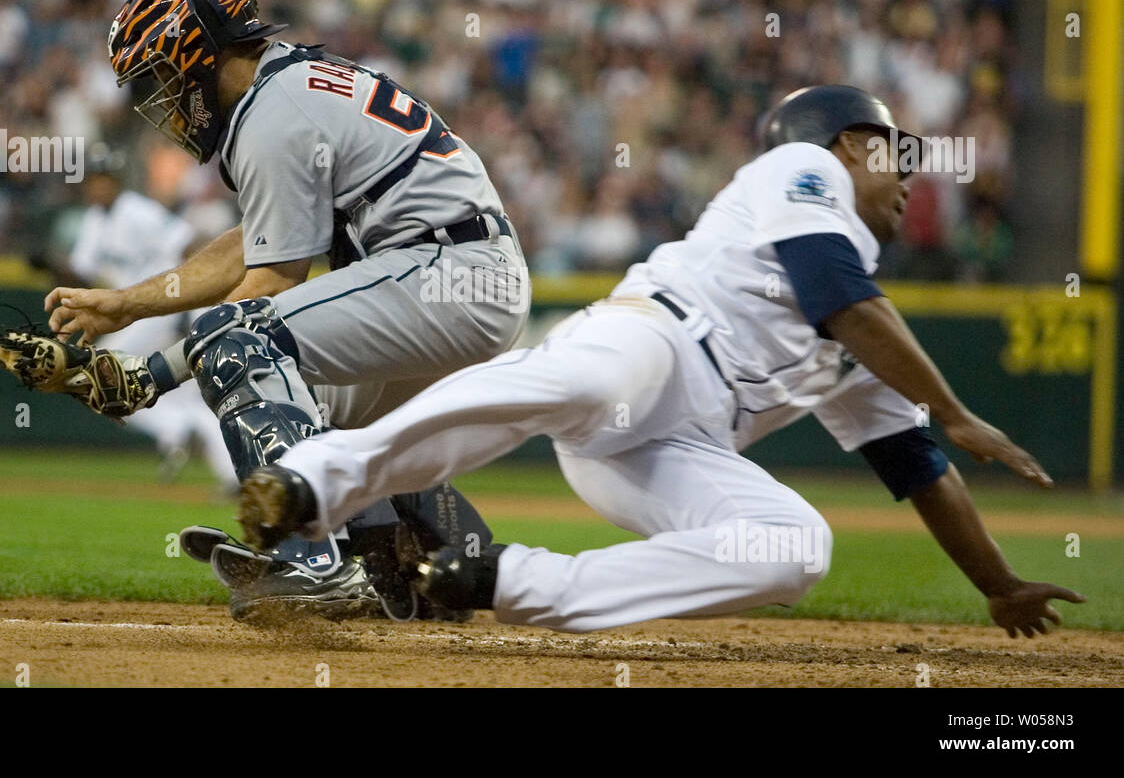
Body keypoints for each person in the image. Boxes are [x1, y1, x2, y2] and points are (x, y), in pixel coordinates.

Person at [238, 85, 1087, 637]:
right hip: (654, 341)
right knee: (577, 381)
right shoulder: (801, 167)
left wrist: (1000, 583)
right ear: (847, 142)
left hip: (674, 450)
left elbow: (915, 466)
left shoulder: (871, 335)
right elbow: (834, 291)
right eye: (891, 150)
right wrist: (955, 404)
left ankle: (503, 578)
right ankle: (314, 481)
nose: (906, 172)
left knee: (796, 547)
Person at [39, 0, 529, 620]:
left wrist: (153, 372)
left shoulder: (273, 111)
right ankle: (426, 575)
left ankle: (311, 558)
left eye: (160, 74)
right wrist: (128, 303)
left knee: (236, 346)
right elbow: (258, 243)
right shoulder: (290, 86)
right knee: (309, 409)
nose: (162, 98)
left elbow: (266, 288)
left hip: (445, 273)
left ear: (196, 49)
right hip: (459, 272)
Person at [64, 146, 237, 495]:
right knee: (191, 398)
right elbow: (80, 269)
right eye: (95, 180)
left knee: (100, 373)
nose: (100, 186)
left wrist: (190, 309)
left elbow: (189, 245)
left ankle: (174, 431)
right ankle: (224, 469)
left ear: (116, 181)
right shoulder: (95, 220)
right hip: (134, 313)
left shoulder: (138, 212)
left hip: (158, 307)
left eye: (106, 179)